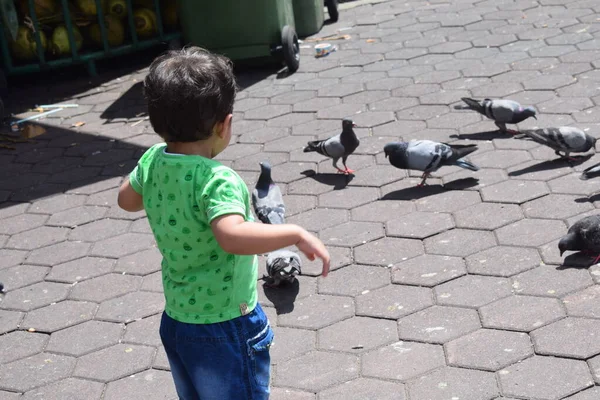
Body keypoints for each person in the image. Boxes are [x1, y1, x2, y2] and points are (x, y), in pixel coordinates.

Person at [116, 46, 330, 400]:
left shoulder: (153, 159)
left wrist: (152, 177)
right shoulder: (217, 179)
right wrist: (294, 232)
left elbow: (127, 200)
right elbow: (231, 236)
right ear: (224, 125)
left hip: (178, 320)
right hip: (225, 325)